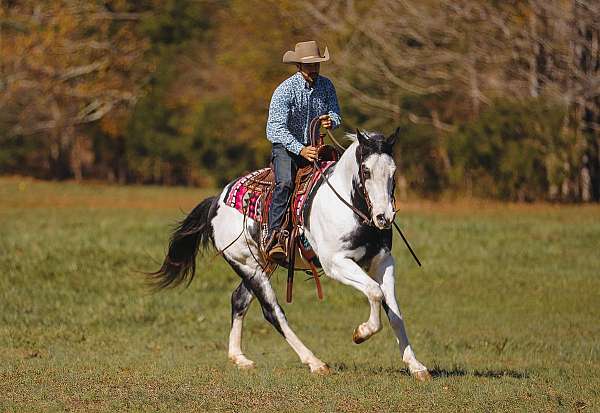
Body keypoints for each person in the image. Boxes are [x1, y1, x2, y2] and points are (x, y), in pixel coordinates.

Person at [265, 40, 342, 262]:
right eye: (309, 66)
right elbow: (275, 128)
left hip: (315, 146)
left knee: (330, 183)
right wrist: (300, 149)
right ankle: (275, 236)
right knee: (286, 183)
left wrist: (332, 121)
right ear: (298, 66)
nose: (314, 69)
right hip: (286, 148)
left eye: (317, 65)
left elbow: (335, 113)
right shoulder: (285, 90)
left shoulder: (327, 86)